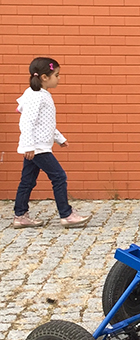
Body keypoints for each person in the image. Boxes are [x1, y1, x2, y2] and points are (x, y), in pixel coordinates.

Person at [12, 57, 91, 229]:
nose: (59, 78)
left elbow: (45, 123)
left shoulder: (42, 95)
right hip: (38, 147)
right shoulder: (35, 97)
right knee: (59, 176)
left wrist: (59, 138)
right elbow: (27, 122)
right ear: (44, 77)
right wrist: (28, 146)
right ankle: (67, 214)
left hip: (39, 145)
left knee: (27, 181)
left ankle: (20, 216)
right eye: (56, 74)